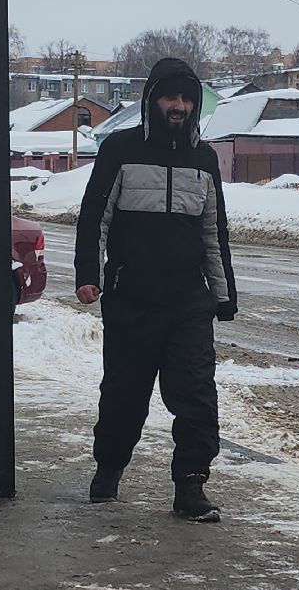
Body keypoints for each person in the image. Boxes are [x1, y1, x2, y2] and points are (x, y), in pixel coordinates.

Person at [74, 57, 237, 523]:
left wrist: (223, 295)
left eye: (187, 98)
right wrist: (90, 274)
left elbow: (213, 232)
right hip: (132, 299)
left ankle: (191, 486)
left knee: (197, 396)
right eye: (171, 97)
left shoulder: (204, 159)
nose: (180, 106)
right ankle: (109, 469)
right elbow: (94, 218)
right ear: (153, 101)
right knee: (124, 396)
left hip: (188, 301)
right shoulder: (121, 150)